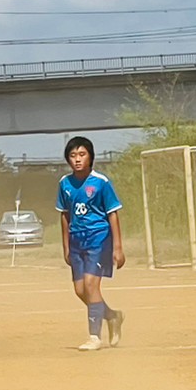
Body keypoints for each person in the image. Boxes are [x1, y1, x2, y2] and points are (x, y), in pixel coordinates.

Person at [56, 136, 125, 351]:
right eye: (73, 155)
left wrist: (118, 247)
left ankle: (94, 336)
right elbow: (64, 215)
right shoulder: (64, 184)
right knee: (80, 290)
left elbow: (113, 214)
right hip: (77, 240)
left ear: (90, 157)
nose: (77, 159)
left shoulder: (101, 183)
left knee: (90, 285)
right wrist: (66, 246)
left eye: (82, 154)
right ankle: (112, 316)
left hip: (99, 238)